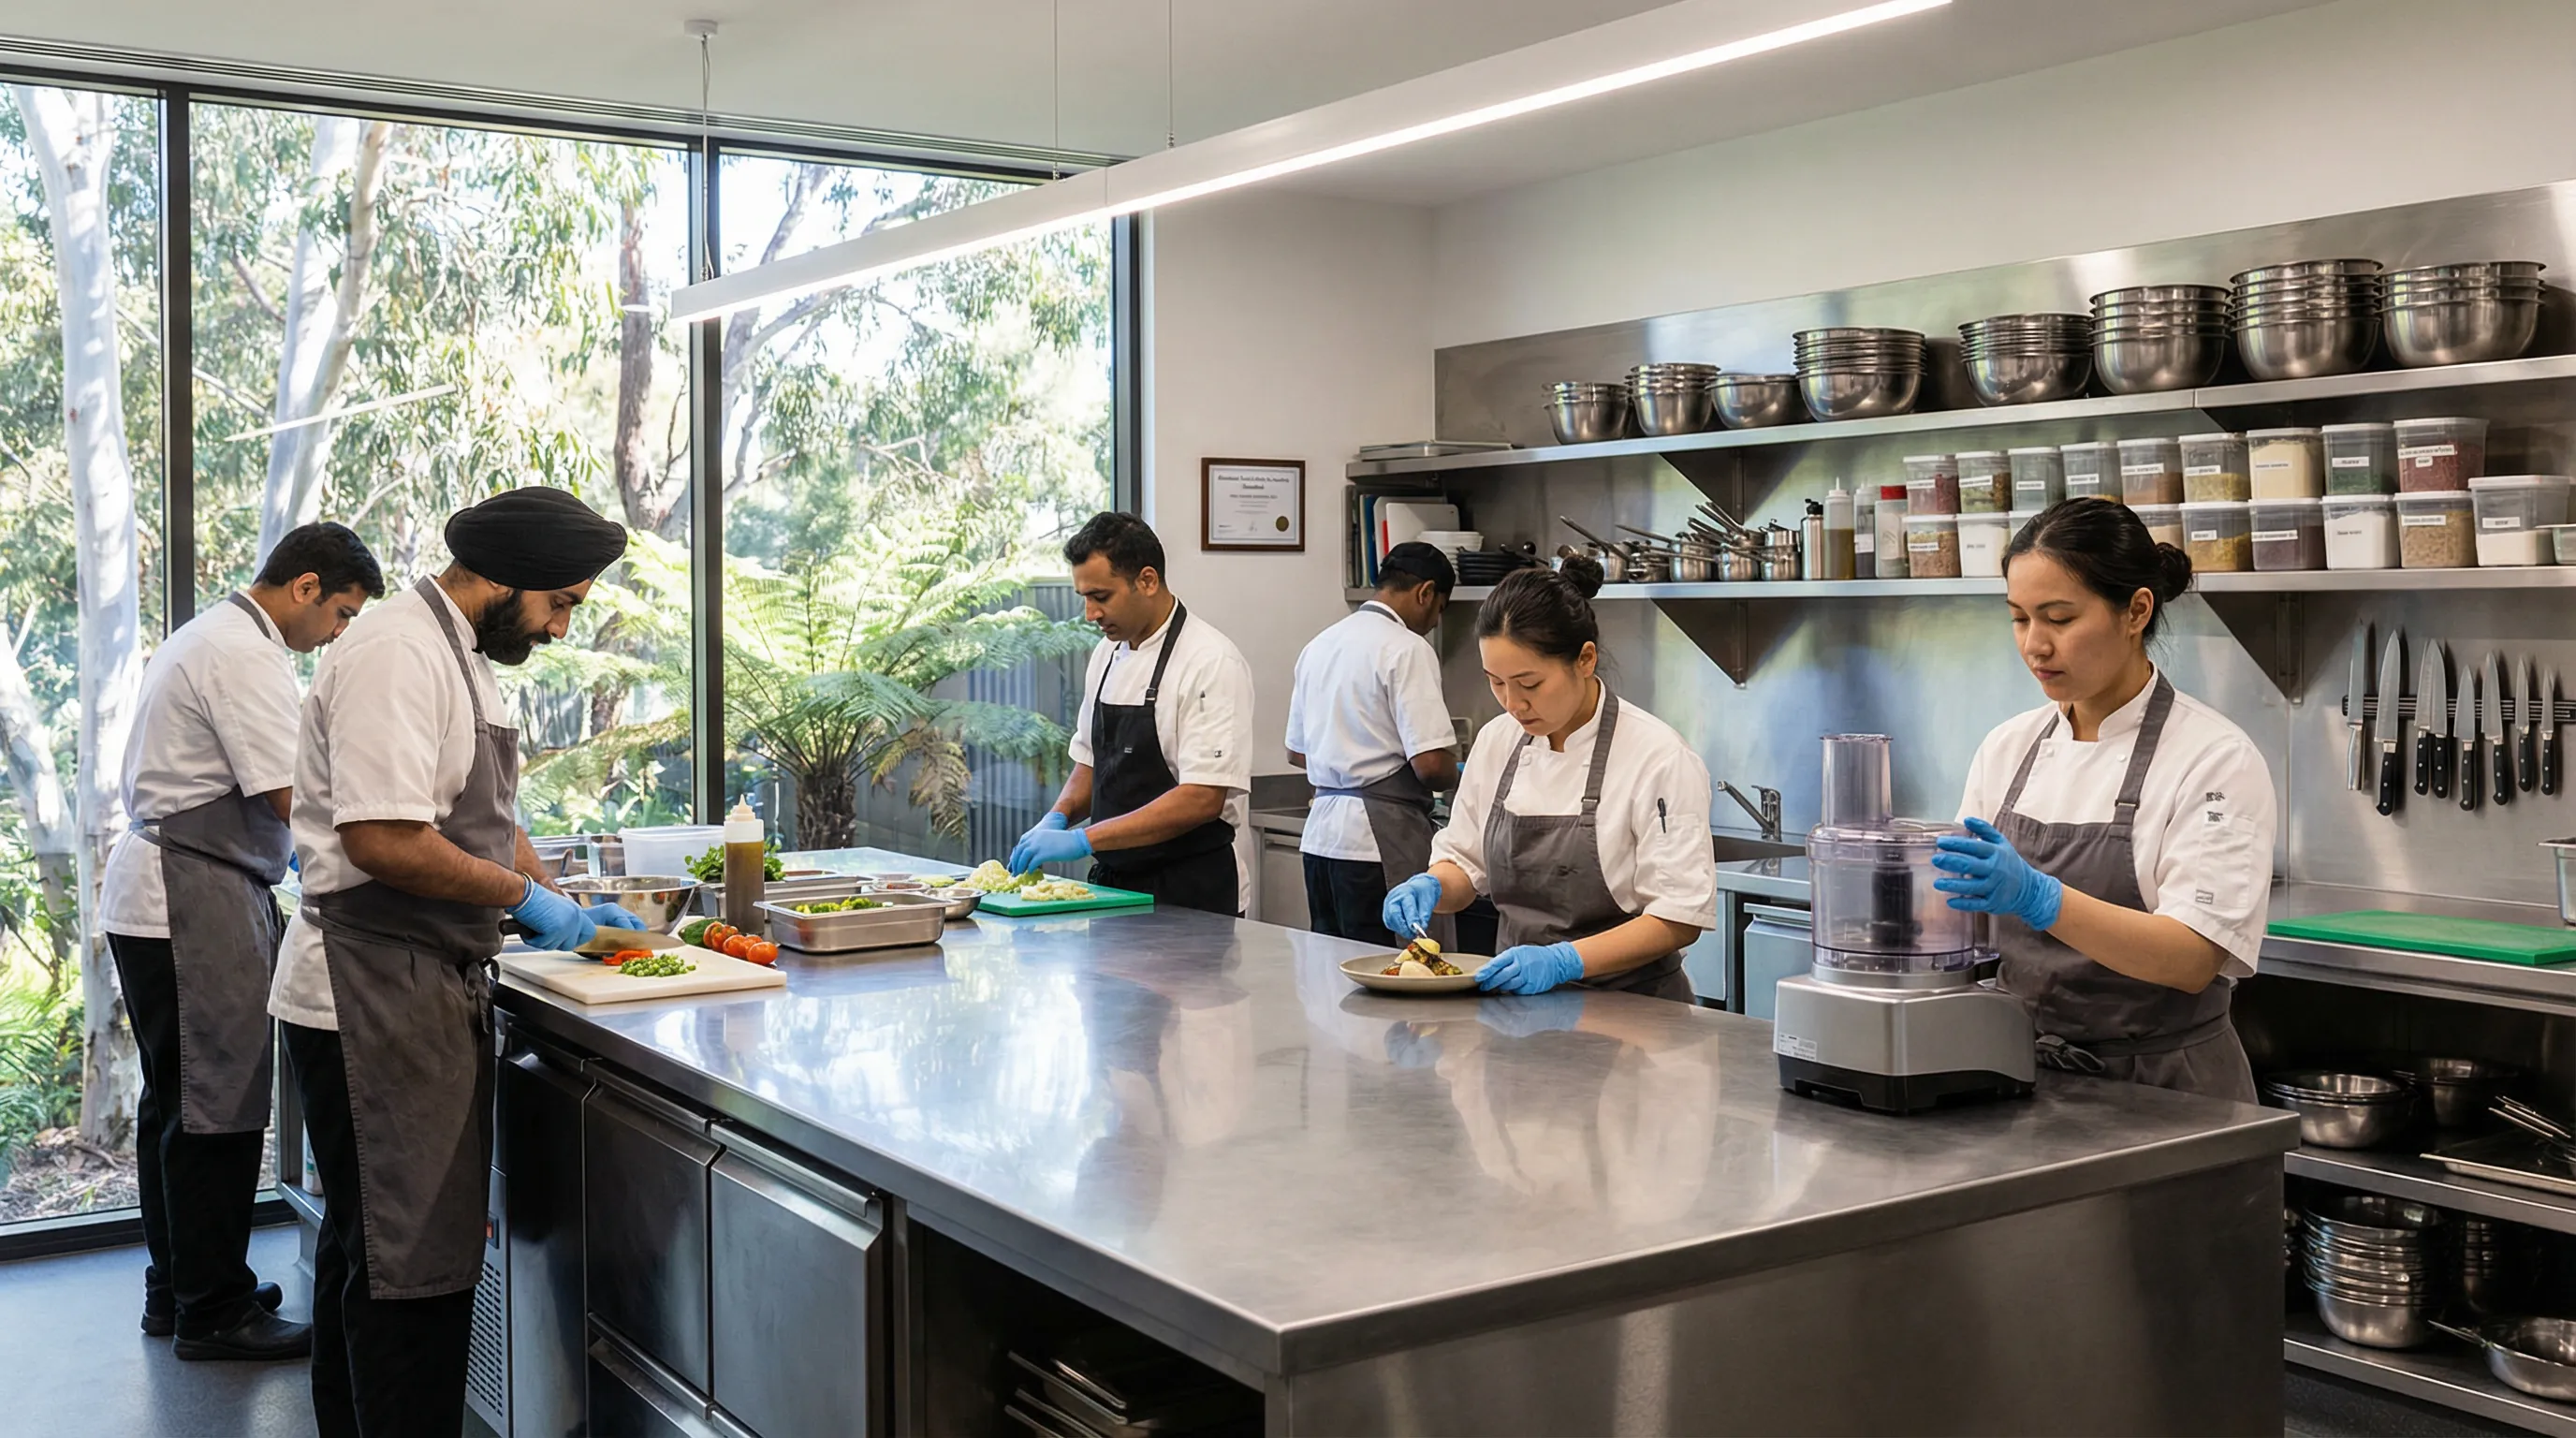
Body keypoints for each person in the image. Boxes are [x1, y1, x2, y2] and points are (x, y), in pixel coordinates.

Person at [270, 488, 644, 1437]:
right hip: (369, 994)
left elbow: (475, 814)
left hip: (416, 983)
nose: (561, 627)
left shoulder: (458, 651)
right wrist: (531, 904)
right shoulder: (397, 650)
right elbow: (384, 839)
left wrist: (547, 886)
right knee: (409, 1276)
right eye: (560, 601)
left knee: (379, 1260)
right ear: (506, 575)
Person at [100, 521, 385, 1360]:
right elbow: (291, 797)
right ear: (304, 587)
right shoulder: (246, 654)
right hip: (190, 895)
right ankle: (214, 1310)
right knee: (215, 1110)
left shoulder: (212, 634)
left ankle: (182, 1284)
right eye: (340, 612)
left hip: (172, 888)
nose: (337, 633)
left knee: (177, 1104)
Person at [1931, 499, 2275, 1102]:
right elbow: (1963, 915)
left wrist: (2040, 897)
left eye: (2059, 618)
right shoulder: (2008, 747)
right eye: (2019, 618)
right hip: (2020, 1075)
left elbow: (2191, 956)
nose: (2035, 645)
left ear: (2136, 610)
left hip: (2167, 1093)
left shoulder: (2215, 757)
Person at [1381, 560, 1716, 1002]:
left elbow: (1679, 918)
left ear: (1585, 659)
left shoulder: (1657, 756)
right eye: (1496, 683)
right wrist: (1434, 886)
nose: (1513, 704)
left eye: (1529, 684)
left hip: (1633, 1017)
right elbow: (1464, 864)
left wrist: (1564, 961)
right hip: (1518, 1009)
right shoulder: (1498, 740)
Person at [1009, 512, 1256, 916]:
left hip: (1192, 892)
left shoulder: (1211, 661)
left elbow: (1202, 798)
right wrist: (1057, 817)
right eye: (1084, 598)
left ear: (1147, 580)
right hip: (1115, 886)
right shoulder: (1107, 654)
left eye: (1101, 597)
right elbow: (1091, 760)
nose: (1090, 613)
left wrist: (1083, 840)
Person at [1284, 540, 1460, 947]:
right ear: (1426, 593)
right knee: (1392, 973)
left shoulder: (1319, 644)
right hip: (1377, 843)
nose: (1434, 622)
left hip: (1320, 840)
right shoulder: (1408, 648)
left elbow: (1297, 752)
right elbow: (1431, 766)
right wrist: (1463, 771)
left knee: (1334, 976)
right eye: (1439, 610)